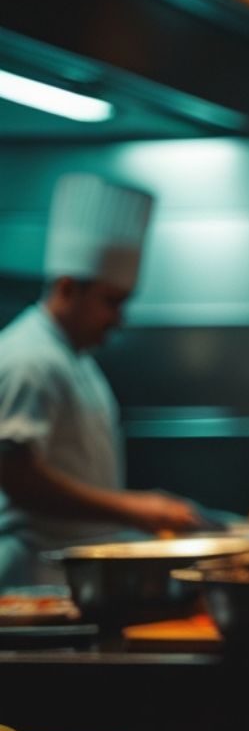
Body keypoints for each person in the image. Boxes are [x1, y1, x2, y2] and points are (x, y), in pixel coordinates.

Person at [0, 174, 208, 585]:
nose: (119, 319)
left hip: (72, 574)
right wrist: (133, 508)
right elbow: (16, 475)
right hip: (31, 577)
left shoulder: (76, 360)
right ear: (67, 288)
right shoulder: (28, 359)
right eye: (111, 302)